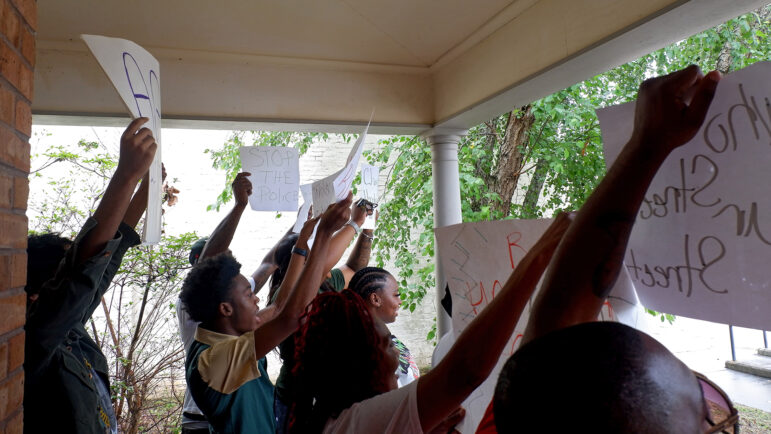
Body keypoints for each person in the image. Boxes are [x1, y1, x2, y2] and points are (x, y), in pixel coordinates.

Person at [492, 66, 737, 433]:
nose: (716, 421)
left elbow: (558, 324)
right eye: (709, 422)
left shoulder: (536, 411)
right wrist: (646, 146)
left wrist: (648, 146)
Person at [289, 211, 572, 433]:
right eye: (386, 343)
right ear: (362, 360)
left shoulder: (335, 418)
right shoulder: (359, 420)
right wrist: (539, 256)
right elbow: (466, 370)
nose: (394, 351)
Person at [24, 118, 158, 434]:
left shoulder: (72, 330)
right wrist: (125, 176)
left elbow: (114, 246)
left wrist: (146, 185)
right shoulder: (36, 343)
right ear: (41, 291)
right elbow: (80, 273)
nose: (89, 269)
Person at [181, 194, 352, 433]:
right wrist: (323, 235)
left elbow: (280, 307)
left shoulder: (220, 333)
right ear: (226, 309)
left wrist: (301, 245)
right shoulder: (214, 360)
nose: (258, 299)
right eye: (249, 295)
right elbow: (291, 316)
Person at [176, 172, 301, 433]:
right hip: (199, 419)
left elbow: (270, 263)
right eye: (224, 259)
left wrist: (301, 226)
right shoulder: (198, 304)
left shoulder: (236, 299)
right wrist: (239, 206)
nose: (254, 299)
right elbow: (282, 311)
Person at [273, 201, 374, 433]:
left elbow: (355, 267)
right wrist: (354, 224)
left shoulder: (328, 282)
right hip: (295, 401)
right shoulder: (285, 297)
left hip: (325, 397)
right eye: (318, 253)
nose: (328, 257)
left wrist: (368, 227)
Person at [349, 267, 419, 387]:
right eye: (396, 295)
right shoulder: (369, 349)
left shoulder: (384, 338)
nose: (400, 301)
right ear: (375, 299)